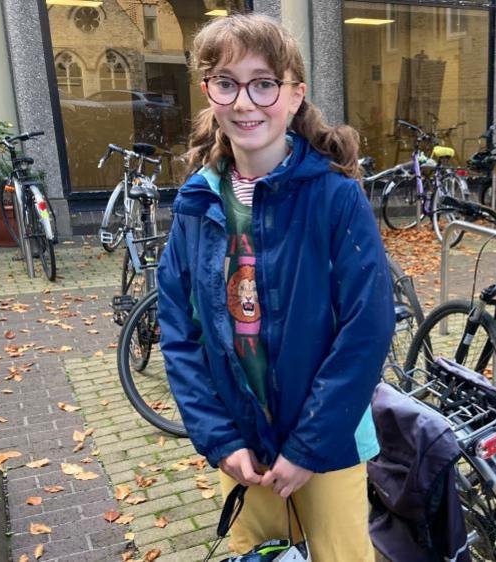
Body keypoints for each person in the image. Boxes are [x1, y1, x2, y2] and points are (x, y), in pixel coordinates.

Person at [156, 13, 394, 561]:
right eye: (227, 82)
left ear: (294, 96)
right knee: (260, 555)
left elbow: (367, 328)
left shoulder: (336, 198)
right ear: (209, 93)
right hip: (243, 446)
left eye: (264, 83)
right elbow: (179, 332)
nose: (245, 102)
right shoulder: (197, 203)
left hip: (327, 445)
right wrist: (220, 439)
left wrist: (309, 446)